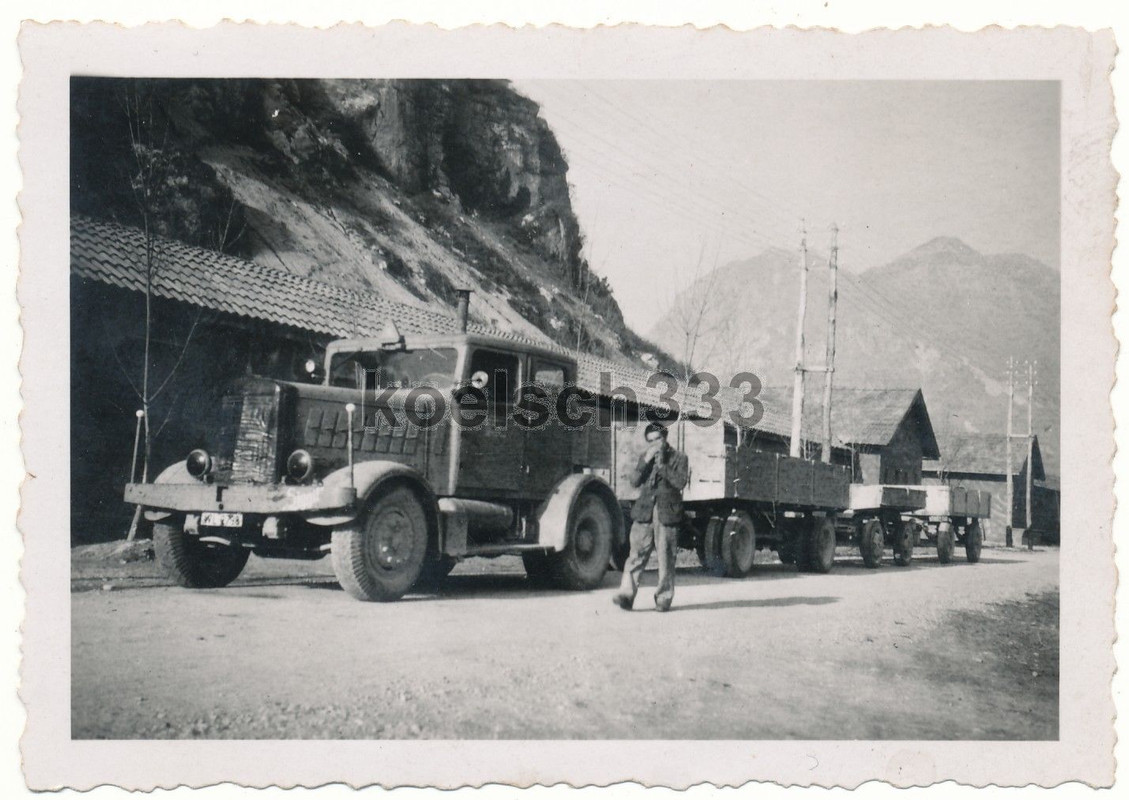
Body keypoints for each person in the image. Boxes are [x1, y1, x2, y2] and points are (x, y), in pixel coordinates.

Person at [612, 421, 690, 612]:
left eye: (658, 439)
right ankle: (626, 594)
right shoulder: (645, 457)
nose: (655, 444)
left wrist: (663, 465)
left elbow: (680, 483)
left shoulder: (679, 458)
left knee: (666, 557)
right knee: (635, 554)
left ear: (665, 438)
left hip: (667, 512)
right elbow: (634, 481)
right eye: (651, 441)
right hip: (645, 510)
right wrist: (645, 461)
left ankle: (663, 598)